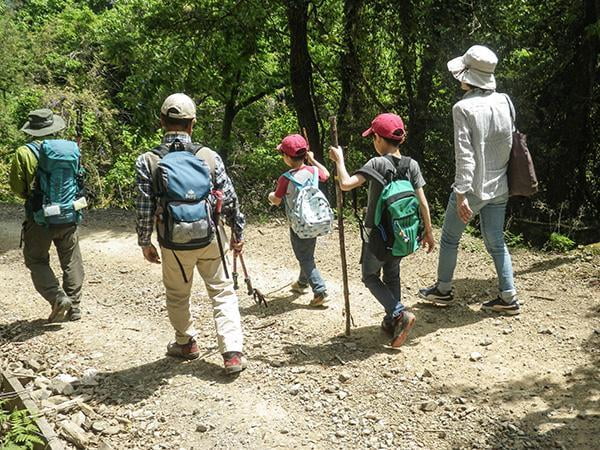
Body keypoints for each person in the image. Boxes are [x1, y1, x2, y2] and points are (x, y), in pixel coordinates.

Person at [135, 93, 247, 374]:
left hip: (173, 241)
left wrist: (144, 241)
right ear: (192, 123)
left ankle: (186, 343)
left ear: (161, 121)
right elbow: (229, 197)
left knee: (177, 293)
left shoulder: (147, 161)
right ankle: (232, 353)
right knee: (222, 292)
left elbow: (144, 206)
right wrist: (237, 232)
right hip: (211, 237)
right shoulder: (208, 156)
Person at [419, 45, 520, 315]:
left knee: (450, 238)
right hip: (500, 185)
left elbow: (465, 156)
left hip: (473, 188)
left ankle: (443, 290)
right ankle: (508, 297)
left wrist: (461, 193)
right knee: (496, 240)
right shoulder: (505, 101)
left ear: (468, 75)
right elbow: (508, 144)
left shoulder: (462, 108)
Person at [329, 113, 435, 349]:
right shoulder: (411, 164)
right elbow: (423, 202)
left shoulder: (376, 163)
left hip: (377, 236)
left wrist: (339, 160)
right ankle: (391, 322)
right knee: (392, 274)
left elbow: (345, 184)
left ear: (378, 138)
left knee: (369, 276)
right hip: (404, 234)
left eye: (373, 137)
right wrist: (428, 232)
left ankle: (399, 313)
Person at [9, 109, 85, 322]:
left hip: (40, 217)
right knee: (71, 258)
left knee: (36, 259)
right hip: (69, 214)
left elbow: (17, 186)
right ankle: (75, 306)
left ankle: (57, 297)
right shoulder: (70, 149)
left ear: (32, 129)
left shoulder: (24, 152)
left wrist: (32, 196)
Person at [268, 134, 331, 306]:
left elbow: (277, 200)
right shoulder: (313, 171)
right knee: (307, 254)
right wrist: (313, 160)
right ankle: (302, 283)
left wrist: (270, 196)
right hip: (315, 221)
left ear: (288, 158)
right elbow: (326, 174)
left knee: (304, 257)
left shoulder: (286, 178)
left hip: (298, 225)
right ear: (305, 155)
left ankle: (320, 291)